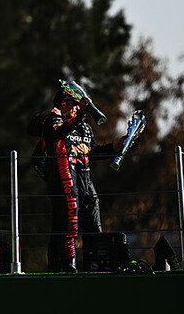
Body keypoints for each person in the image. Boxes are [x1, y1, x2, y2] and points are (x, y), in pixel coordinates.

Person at [38, 82, 126, 273]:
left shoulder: (85, 128)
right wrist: (50, 178)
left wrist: (113, 147)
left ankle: (96, 269)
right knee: (63, 229)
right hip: (64, 187)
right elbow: (59, 133)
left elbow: (90, 153)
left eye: (79, 105)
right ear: (63, 104)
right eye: (75, 104)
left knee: (94, 228)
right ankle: (60, 271)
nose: (78, 107)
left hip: (86, 185)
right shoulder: (53, 122)